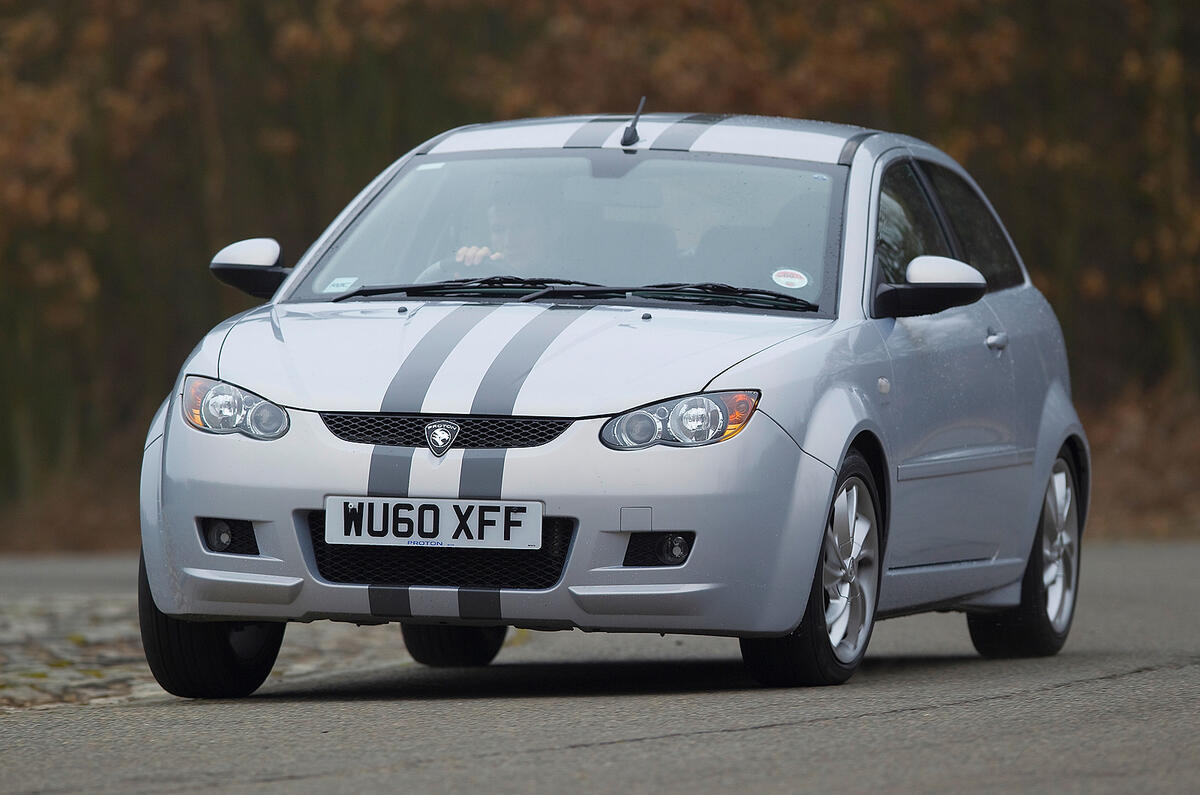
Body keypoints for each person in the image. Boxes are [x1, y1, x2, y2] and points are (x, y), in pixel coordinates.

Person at [416, 184, 558, 282]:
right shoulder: (484, 273)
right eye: (498, 230)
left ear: (546, 230)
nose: (509, 241)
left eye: (520, 227)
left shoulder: (575, 282)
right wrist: (471, 280)